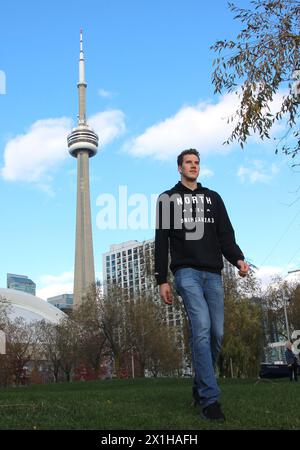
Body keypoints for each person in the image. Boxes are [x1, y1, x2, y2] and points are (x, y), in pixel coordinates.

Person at [154, 149, 249, 422]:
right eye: (188, 163)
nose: (193, 166)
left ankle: (199, 386)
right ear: (179, 168)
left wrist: (238, 260)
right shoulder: (168, 199)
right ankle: (210, 400)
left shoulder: (213, 198)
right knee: (202, 328)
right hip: (187, 274)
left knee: (216, 333)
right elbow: (162, 241)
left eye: (197, 163)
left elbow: (226, 236)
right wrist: (162, 279)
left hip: (213, 274)